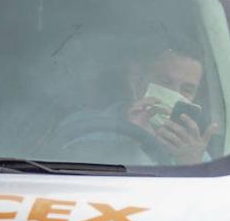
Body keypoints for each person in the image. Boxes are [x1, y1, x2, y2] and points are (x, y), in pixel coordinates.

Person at [50, 44, 218, 165]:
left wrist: (191, 163)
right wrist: (131, 139)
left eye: (187, 89)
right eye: (164, 81)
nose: (175, 94)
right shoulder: (84, 125)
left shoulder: (191, 147)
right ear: (136, 80)